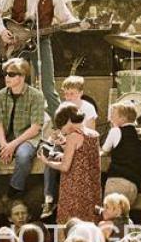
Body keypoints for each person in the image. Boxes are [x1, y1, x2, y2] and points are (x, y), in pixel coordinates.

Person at [0, 0, 80, 121]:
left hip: (42, 42)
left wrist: (79, 24)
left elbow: (67, 20)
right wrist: (2, 31)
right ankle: (16, 124)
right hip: (17, 44)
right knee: (17, 85)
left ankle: (61, 125)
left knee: (48, 87)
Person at [0, 58, 44, 221]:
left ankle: (11, 195)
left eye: (11, 74)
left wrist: (12, 146)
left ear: (21, 77)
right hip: (5, 138)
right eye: (6, 73)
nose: (6, 77)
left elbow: (35, 127)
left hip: (28, 138)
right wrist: (4, 144)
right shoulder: (0, 95)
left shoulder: (36, 95)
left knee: (23, 156)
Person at [41, 74, 99, 219]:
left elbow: (86, 133)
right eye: (65, 94)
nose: (68, 97)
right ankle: (49, 197)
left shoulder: (88, 108)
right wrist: (61, 139)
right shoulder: (63, 106)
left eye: (71, 93)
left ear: (80, 93)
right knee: (51, 152)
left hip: (78, 162)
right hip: (71, 146)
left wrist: (47, 160)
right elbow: (62, 131)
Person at [102, 101, 141, 206]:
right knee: (123, 217)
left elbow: (105, 149)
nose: (111, 118)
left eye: (113, 115)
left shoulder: (116, 131)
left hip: (117, 181)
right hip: (134, 185)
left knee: (111, 217)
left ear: (123, 118)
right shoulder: (140, 135)